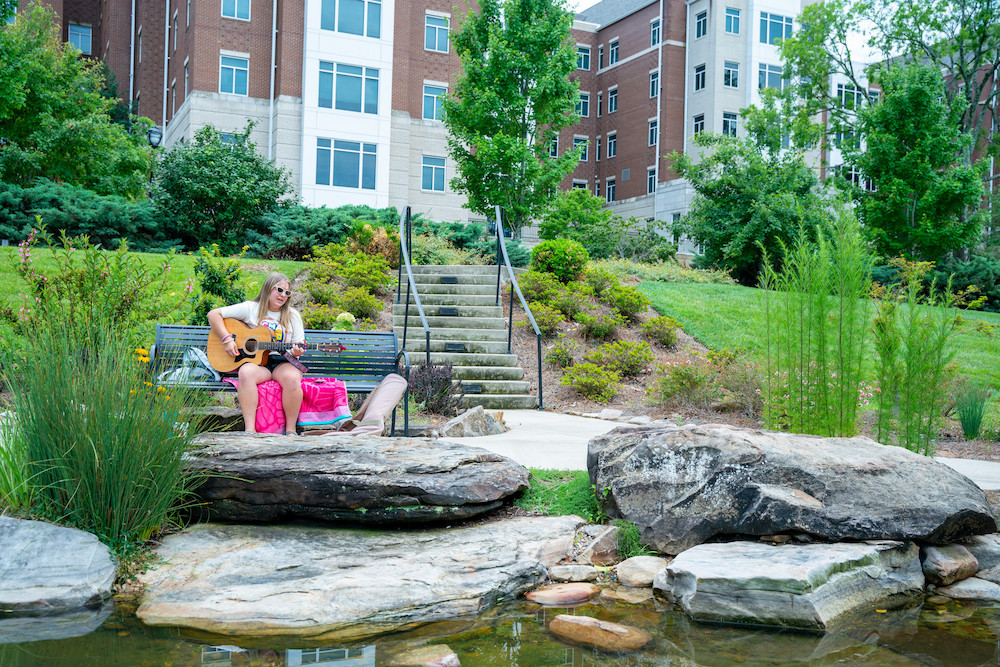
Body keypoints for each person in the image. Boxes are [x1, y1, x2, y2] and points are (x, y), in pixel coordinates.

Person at [207, 273, 306, 435]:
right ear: (268, 288)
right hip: (258, 363)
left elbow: (300, 343)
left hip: (283, 361)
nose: (283, 295)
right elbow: (213, 314)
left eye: (287, 293)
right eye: (279, 290)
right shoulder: (251, 308)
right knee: (245, 373)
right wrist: (227, 339)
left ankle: (291, 431)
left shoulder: (293, 315)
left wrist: (297, 351)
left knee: (293, 378)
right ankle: (250, 430)